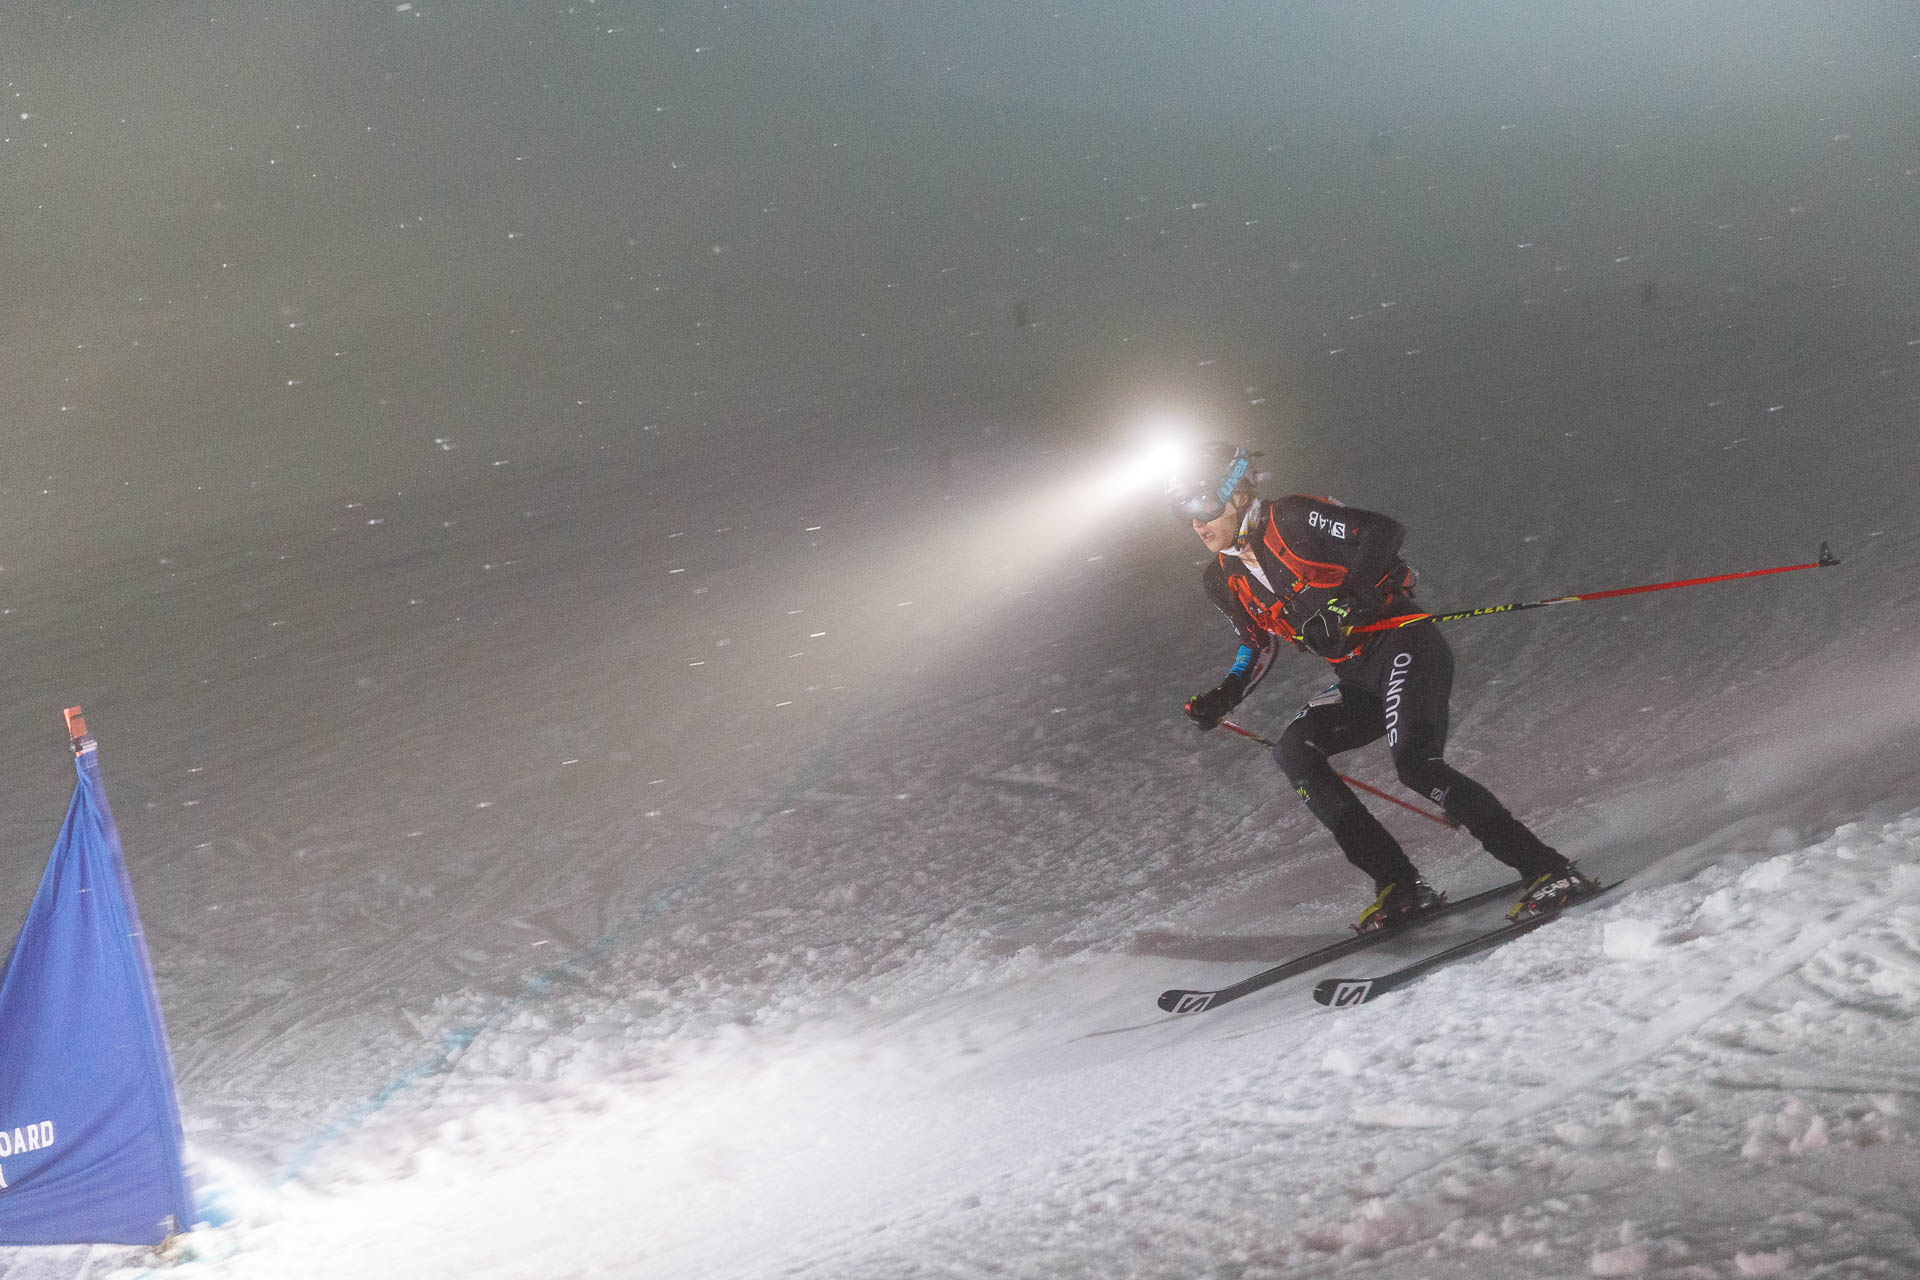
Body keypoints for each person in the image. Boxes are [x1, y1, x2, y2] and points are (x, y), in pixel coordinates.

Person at [1172, 443, 1596, 931]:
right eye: (1183, 513)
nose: (1196, 522)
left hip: (1404, 645)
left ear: (1239, 493)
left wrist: (1349, 602)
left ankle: (1548, 870)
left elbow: (1381, 531)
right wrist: (1226, 694)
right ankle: (1399, 884)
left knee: (1416, 765)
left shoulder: (1291, 518)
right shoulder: (1220, 578)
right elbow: (1256, 641)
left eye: (1203, 506)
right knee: (1295, 750)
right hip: (1357, 676)